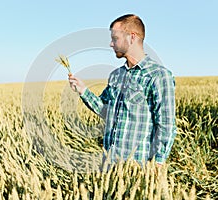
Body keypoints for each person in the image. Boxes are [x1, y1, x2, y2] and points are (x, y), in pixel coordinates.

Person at [68, 14, 176, 166]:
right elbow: (106, 111)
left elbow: (166, 124)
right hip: (110, 165)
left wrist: (158, 163)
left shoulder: (158, 75)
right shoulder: (116, 75)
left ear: (132, 37)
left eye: (115, 38)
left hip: (138, 168)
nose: (111, 44)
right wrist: (83, 91)